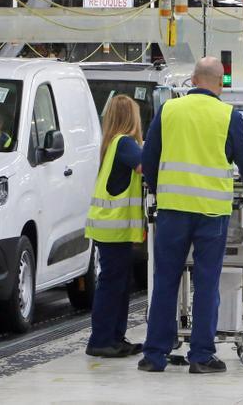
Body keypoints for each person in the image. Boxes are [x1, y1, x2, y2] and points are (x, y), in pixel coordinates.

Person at [138, 57, 243, 374]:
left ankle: (154, 356)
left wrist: (158, 186)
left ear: (193, 80)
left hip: (173, 210)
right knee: (207, 283)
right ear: (220, 84)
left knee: (165, 281)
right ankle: (201, 356)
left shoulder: (169, 110)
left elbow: (149, 158)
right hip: (211, 214)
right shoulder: (228, 115)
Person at [84, 95, 146, 358]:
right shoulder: (125, 143)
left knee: (119, 283)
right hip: (113, 227)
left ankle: (114, 337)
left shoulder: (112, 142)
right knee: (112, 285)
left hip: (109, 226)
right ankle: (100, 340)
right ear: (131, 117)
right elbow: (146, 166)